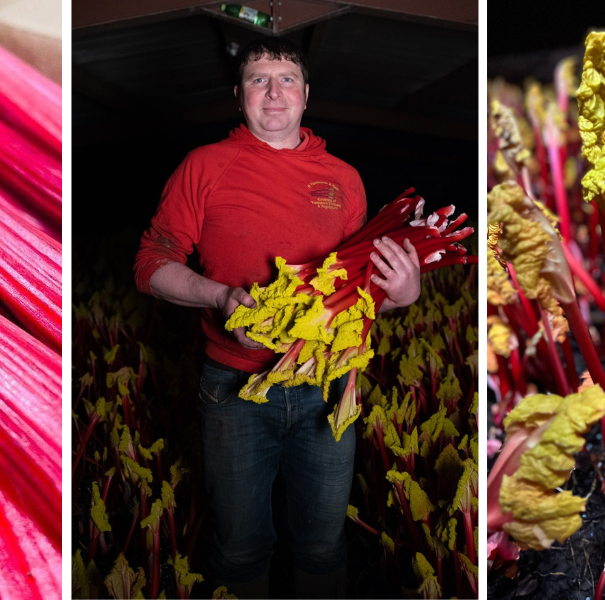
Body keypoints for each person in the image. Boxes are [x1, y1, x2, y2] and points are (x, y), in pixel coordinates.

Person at [133, 36, 421, 599]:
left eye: (286, 79)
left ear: (306, 95)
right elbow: (151, 264)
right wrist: (218, 297)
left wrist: (402, 292)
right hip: (235, 388)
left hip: (326, 385)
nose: (273, 92)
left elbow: (360, 291)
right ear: (238, 96)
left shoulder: (345, 178)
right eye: (258, 80)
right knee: (240, 548)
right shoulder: (204, 166)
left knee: (322, 545)